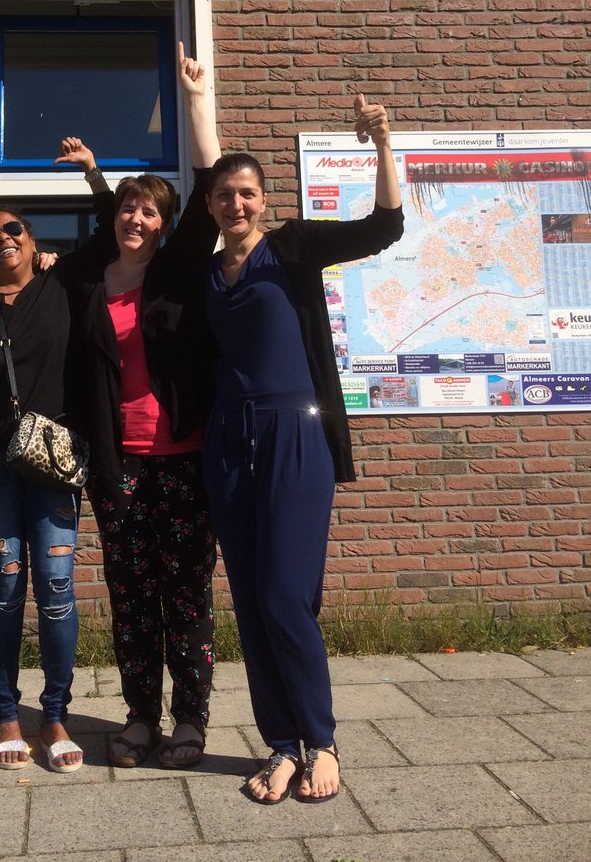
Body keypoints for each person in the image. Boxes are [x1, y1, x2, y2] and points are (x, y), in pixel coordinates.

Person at [202, 94, 404, 804]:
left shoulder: (291, 247)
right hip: (229, 441)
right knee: (251, 601)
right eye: (223, 194)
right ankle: (282, 745)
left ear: (264, 200)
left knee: (286, 596)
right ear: (211, 205)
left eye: (246, 193)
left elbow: (384, 228)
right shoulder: (204, 272)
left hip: (295, 432)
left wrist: (383, 144)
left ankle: (321, 740)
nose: (235, 203)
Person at [70, 43, 221, 770]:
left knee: (186, 593)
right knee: (130, 596)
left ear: (165, 223)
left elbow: (212, 183)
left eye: (149, 210)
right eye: (128, 207)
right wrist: (99, 178)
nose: (136, 217)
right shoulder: (88, 278)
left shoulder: (178, 272)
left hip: (183, 459)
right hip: (118, 463)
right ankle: (139, 717)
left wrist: (196, 102)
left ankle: (190, 720)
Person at [0, 140, 112, 774]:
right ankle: (3, 713)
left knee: (55, 586)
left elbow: (110, 234)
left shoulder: (61, 284)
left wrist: (93, 175)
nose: (3, 240)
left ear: (31, 238)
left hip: (52, 460)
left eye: (12, 229)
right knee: (5, 585)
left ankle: (55, 715)